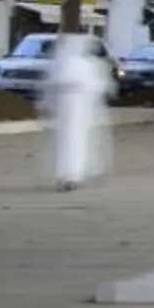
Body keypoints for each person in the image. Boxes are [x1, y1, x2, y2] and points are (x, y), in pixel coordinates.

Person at [43, 34, 112, 191]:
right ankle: (73, 174)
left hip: (65, 109)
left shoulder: (61, 64)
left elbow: (51, 87)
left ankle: (65, 174)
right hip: (81, 108)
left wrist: (49, 104)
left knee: (64, 141)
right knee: (78, 140)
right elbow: (98, 87)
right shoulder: (88, 65)